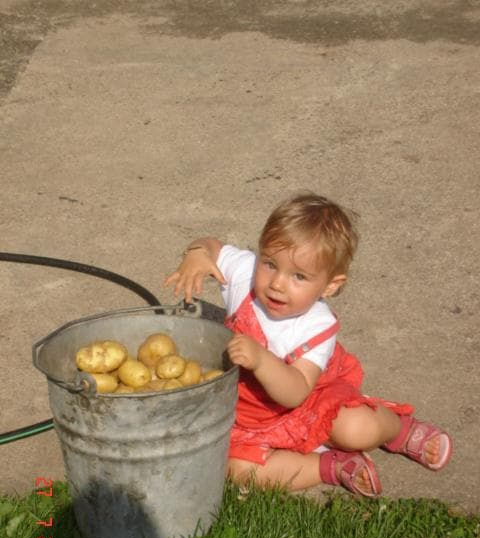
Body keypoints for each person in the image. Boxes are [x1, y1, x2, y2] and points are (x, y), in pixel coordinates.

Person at [164, 192, 452, 497]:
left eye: (299, 276)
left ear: (330, 285)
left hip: (309, 398)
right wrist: (197, 252)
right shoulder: (245, 275)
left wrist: (261, 360)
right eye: (270, 264)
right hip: (247, 414)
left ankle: (398, 429)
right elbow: (213, 247)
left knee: (356, 430)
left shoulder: (317, 325)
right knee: (237, 470)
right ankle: (330, 466)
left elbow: (296, 391)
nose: (277, 283)